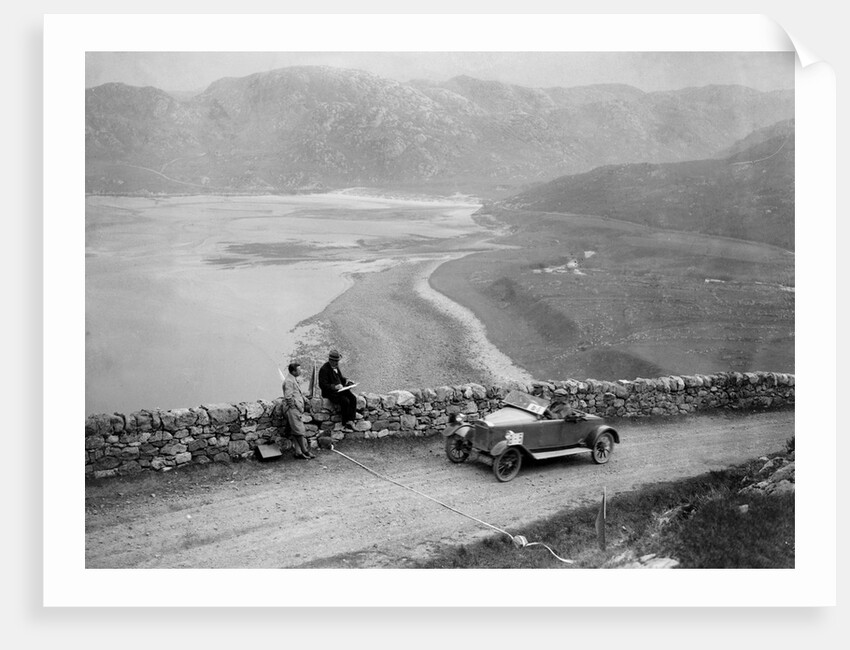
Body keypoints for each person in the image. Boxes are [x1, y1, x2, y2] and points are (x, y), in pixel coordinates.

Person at [282, 362, 315, 459]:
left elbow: (296, 393)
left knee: (295, 431)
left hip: (296, 409)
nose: (300, 371)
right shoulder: (289, 381)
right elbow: (288, 397)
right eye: (299, 370)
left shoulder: (293, 380)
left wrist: (304, 399)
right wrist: (294, 408)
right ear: (293, 371)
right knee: (299, 431)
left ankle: (298, 452)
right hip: (293, 410)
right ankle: (305, 451)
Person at [318, 349, 357, 428]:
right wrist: (334, 387)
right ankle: (345, 422)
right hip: (330, 393)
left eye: (337, 361)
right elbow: (323, 385)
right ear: (331, 360)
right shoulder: (324, 370)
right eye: (336, 361)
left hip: (339, 390)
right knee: (345, 401)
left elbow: (340, 378)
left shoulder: (336, 367)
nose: (337, 363)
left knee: (353, 398)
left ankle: (351, 420)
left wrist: (347, 381)